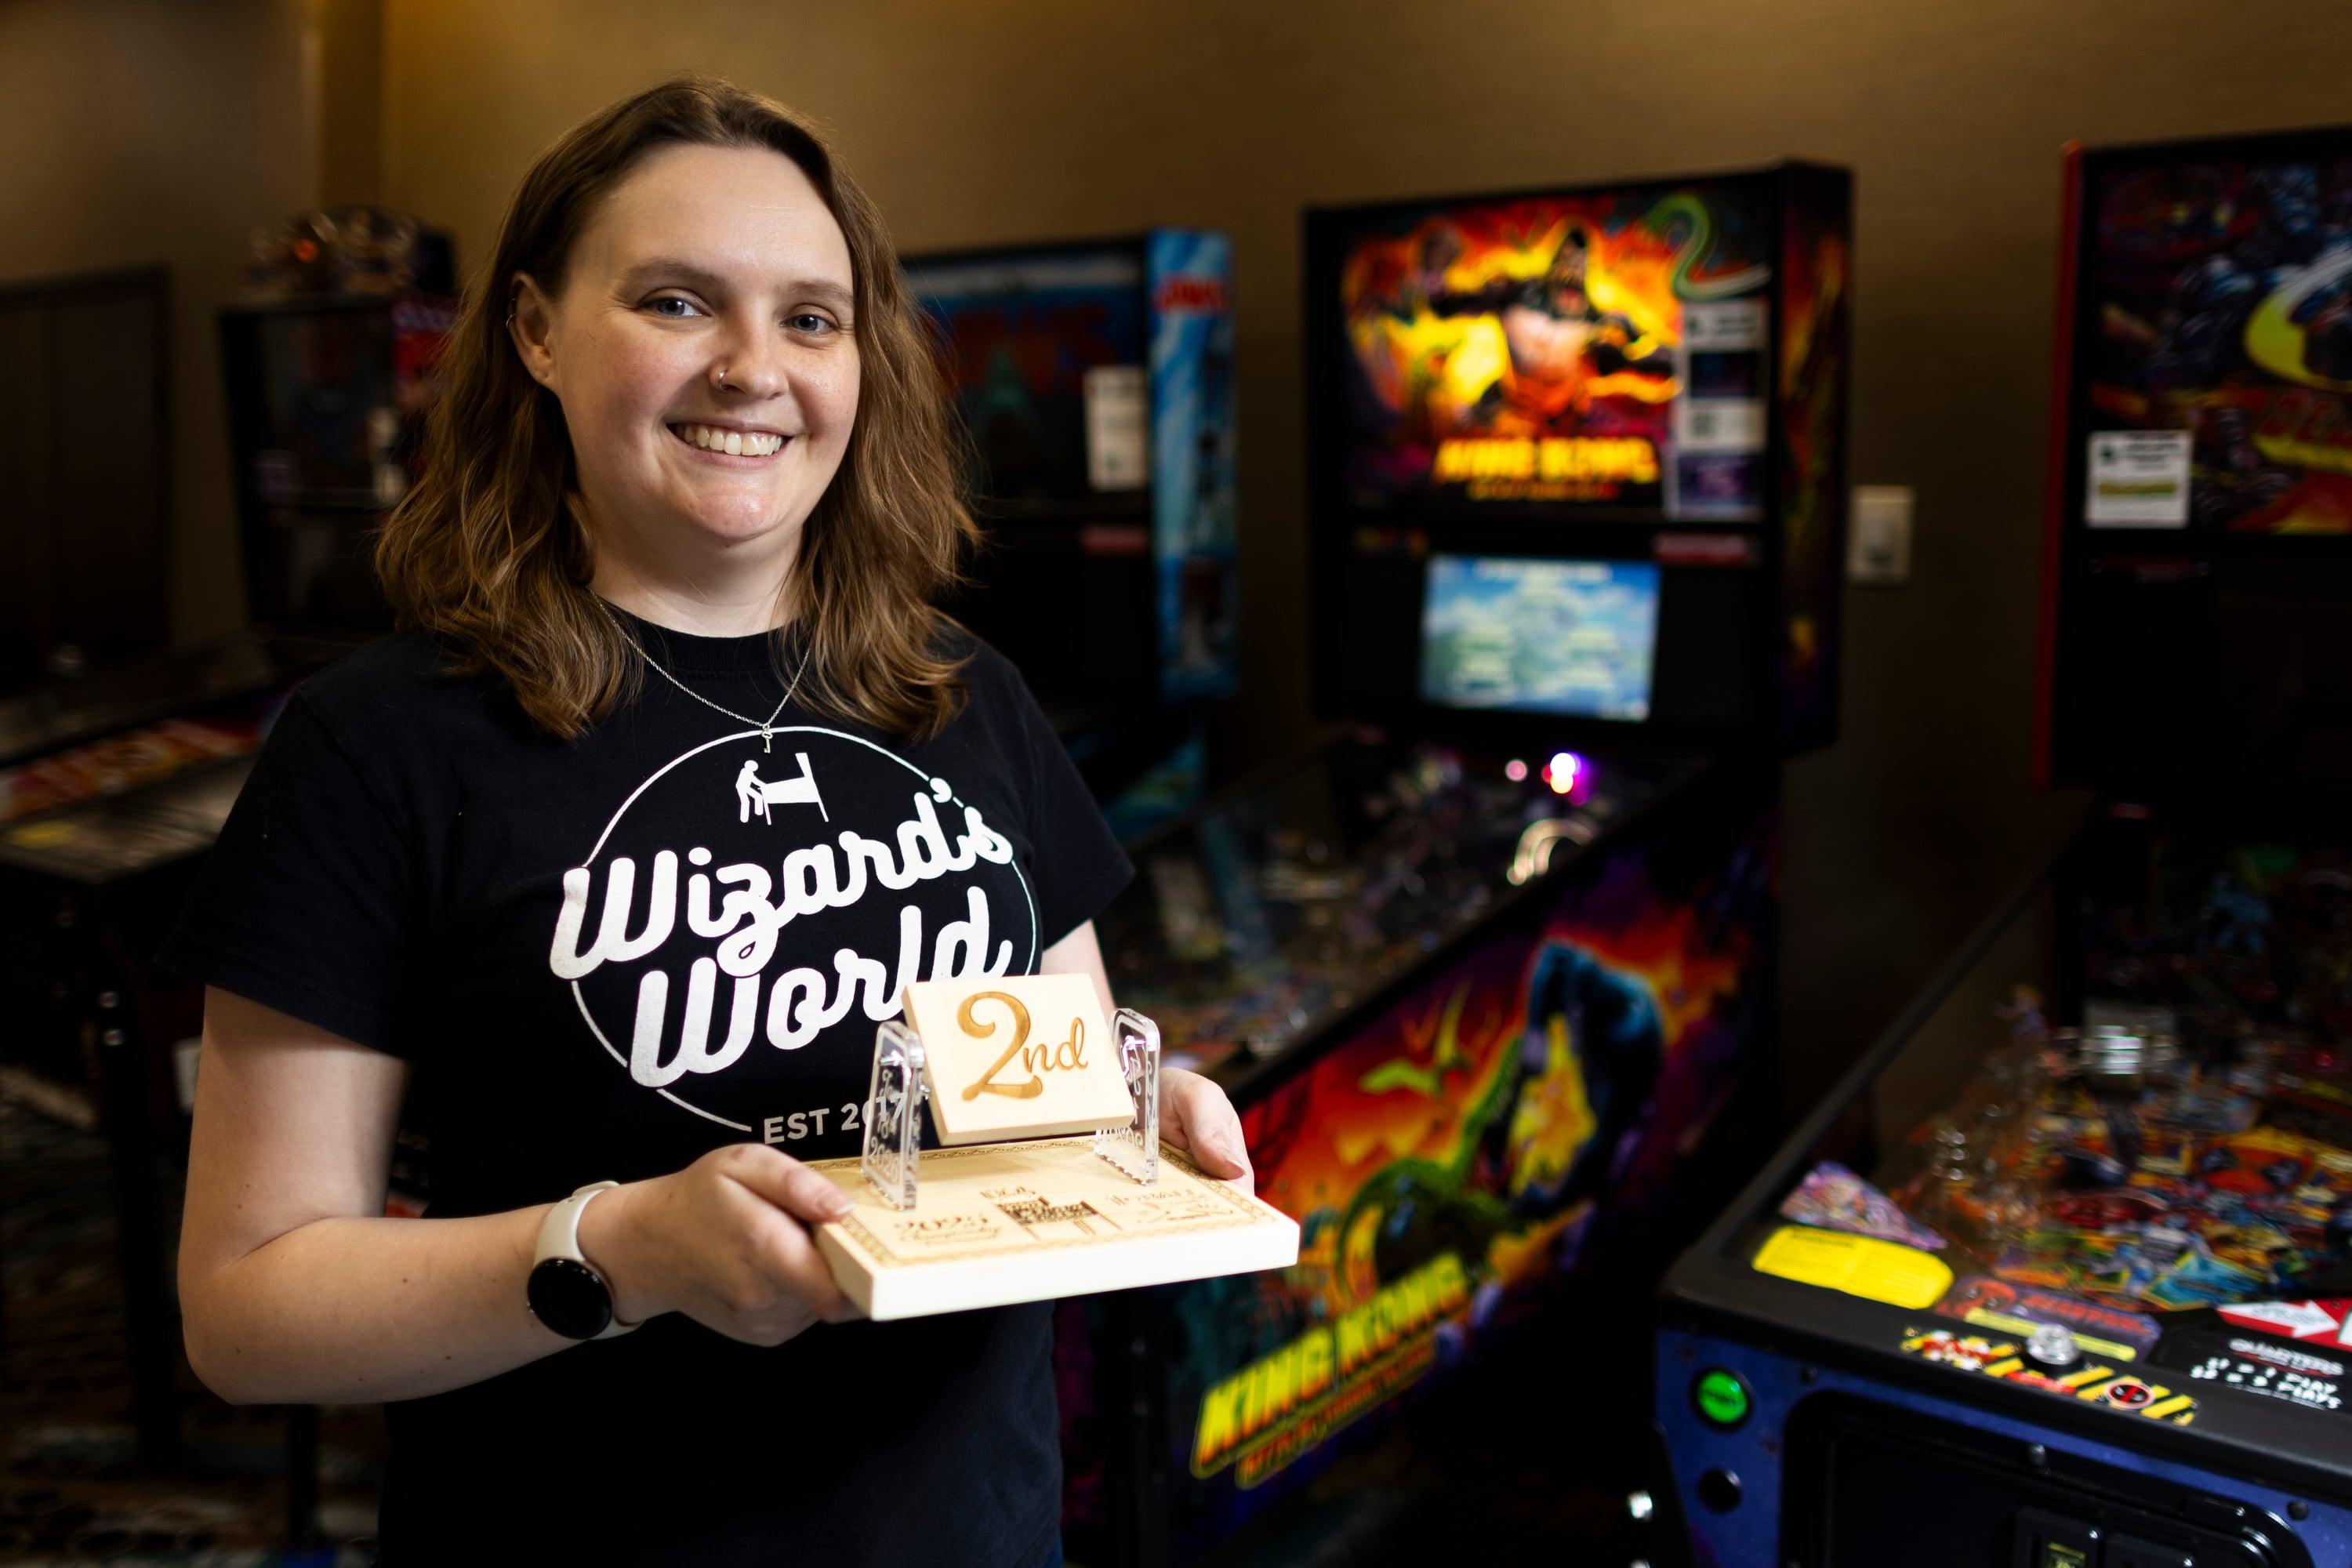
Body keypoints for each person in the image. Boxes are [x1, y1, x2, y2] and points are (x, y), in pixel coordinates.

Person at [167, 76, 1251, 1566]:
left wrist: (1139, 1128)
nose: (754, 368)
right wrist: (619, 1253)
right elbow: (244, 1310)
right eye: (677, 302)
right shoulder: (378, 745)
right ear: (536, 331)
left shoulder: (965, 692)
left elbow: (1040, 1109)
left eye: (811, 318)